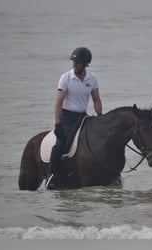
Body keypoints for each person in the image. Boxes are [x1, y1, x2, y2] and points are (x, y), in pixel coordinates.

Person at [46, 47, 102, 190]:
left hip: (83, 116)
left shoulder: (92, 78)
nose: (74, 64)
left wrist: (100, 117)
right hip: (67, 117)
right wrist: (58, 123)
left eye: (77, 62)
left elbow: (96, 100)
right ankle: (51, 176)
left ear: (85, 64)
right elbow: (58, 103)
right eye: (73, 62)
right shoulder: (65, 78)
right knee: (60, 143)